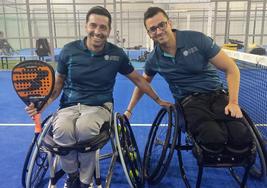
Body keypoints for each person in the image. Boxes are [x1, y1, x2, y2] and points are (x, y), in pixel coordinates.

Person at [25, 6, 171, 188]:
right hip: (69, 106)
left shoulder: (117, 54)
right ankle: (72, 175)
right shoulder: (69, 51)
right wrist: (44, 104)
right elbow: (59, 83)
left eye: (103, 28)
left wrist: (158, 100)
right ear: (86, 26)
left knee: (85, 129)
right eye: (93, 25)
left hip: (100, 107)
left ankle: (86, 181)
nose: (98, 31)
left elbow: (139, 80)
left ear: (109, 30)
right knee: (62, 130)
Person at [125, 7, 252, 154]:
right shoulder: (153, 59)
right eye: (153, 29)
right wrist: (131, 109)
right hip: (189, 102)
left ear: (170, 23)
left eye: (162, 25)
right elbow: (142, 83)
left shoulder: (197, 39)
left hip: (217, 95)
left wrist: (234, 102)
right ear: (149, 34)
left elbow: (231, 69)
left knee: (240, 135)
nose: (158, 31)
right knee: (212, 138)